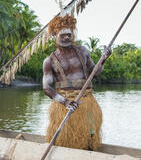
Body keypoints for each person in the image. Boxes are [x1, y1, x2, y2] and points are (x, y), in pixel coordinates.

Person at [43, 13, 111, 150]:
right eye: (63, 35)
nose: (67, 37)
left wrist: (103, 59)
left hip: (87, 101)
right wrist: (65, 102)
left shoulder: (83, 51)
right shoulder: (49, 61)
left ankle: (90, 155)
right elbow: (46, 88)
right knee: (64, 137)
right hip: (64, 105)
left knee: (90, 135)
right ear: (54, 35)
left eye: (69, 34)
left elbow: (95, 73)